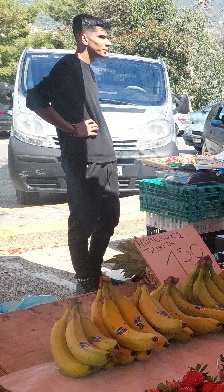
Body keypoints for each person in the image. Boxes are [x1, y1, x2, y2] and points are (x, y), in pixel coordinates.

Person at [27, 15, 119, 295]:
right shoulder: (69, 66)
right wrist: (71, 128)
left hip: (104, 155)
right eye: (102, 36)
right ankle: (84, 279)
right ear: (83, 37)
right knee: (83, 221)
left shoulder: (87, 69)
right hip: (83, 157)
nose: (108, 42)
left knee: (110, 218)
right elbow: (35, 99)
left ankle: (93, 271)